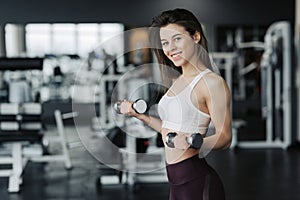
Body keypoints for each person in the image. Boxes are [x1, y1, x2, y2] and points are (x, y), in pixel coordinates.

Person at [118, 8, 232, 200]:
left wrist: (194, 144)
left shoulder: (211, 83)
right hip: (176, 183)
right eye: (165, 42)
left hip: (197, 183)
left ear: (195, 36)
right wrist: (142, 116)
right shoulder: (177, 81)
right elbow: (170, 131)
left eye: (177, 39)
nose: (170, 48)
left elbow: (225, 137)